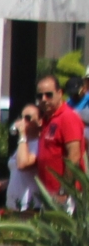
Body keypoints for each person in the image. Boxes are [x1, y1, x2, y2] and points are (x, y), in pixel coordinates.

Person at [32, 74, 84, 207]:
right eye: (40, 96)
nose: (43, 99)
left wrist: (64, 190)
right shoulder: (48, 119)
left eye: (48, 95)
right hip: (49, 195)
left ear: (60, 93)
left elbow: (74, 155)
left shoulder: (67, 117)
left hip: (66, 196)